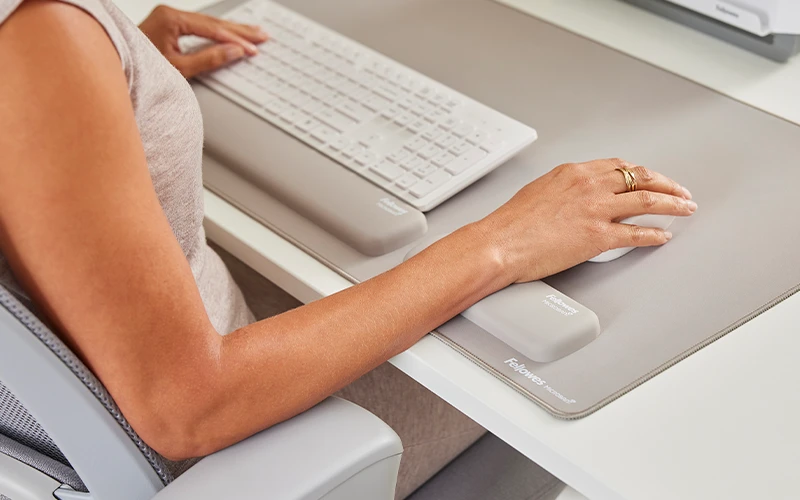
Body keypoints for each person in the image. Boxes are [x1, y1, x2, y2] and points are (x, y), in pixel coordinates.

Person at [0, 0, 697, 497]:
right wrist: (501, 242)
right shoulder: (31, 44)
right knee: (613, 340)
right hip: (236, 444)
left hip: (74, 420)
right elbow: (190, 408)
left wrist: (109, 72)